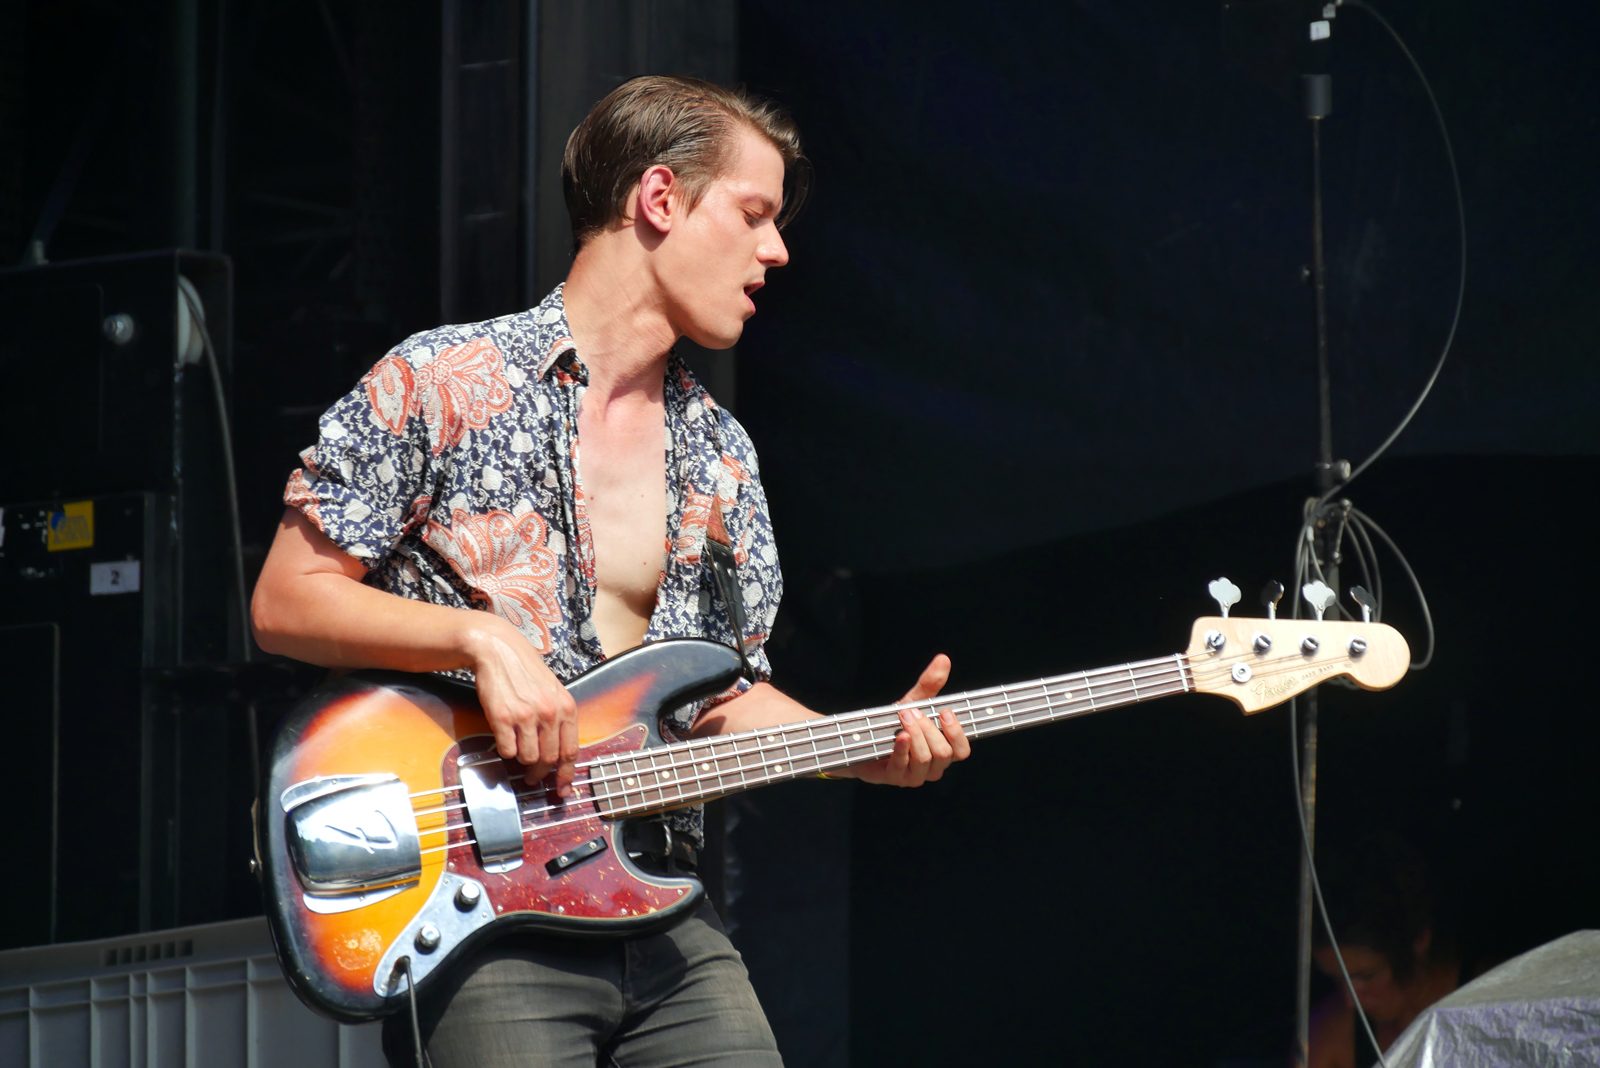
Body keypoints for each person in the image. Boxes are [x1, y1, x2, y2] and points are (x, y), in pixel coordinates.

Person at [250, 74, 971, 1067]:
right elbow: (285, 600)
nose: (777, 251)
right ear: (660, 198)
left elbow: (720, 701)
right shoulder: (442, 381)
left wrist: (855, 749)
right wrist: (481, 639)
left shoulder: (720, 453)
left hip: (660, 904)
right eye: (754, 214)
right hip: (481, 913)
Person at [1305, 831, 1465, 1068]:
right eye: (1338, 979)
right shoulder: (1330, 1032)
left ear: (1419, 940)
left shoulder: (1496, 1002)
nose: (1350, 1000)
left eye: (1367, 976)